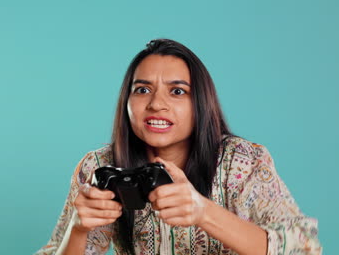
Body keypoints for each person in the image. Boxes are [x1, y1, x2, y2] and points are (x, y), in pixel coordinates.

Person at [35, 39, 322, 255]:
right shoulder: (99, 167)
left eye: (177, 91)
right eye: (143, 89)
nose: (156, 104)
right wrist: (79, 227)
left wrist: (204, 213)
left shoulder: (242, 162)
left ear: (200, 102)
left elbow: (304, 246)